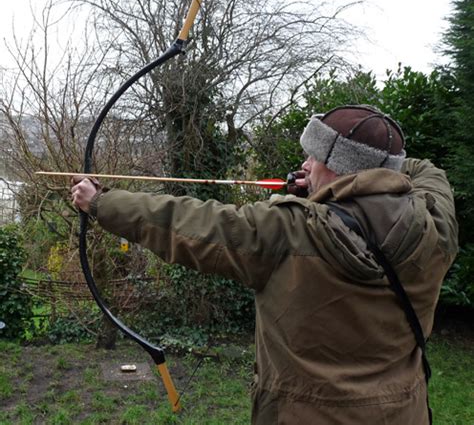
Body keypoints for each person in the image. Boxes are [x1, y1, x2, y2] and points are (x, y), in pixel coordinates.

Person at [71, 105, 458, 425]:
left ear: (340, 165)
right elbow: (423, 171)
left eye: (315, 157)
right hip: (402, 414)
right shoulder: (435, 224)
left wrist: (101, 203)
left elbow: (193, 223)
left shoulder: (289, 231)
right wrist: (339, 187)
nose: (305, 164)